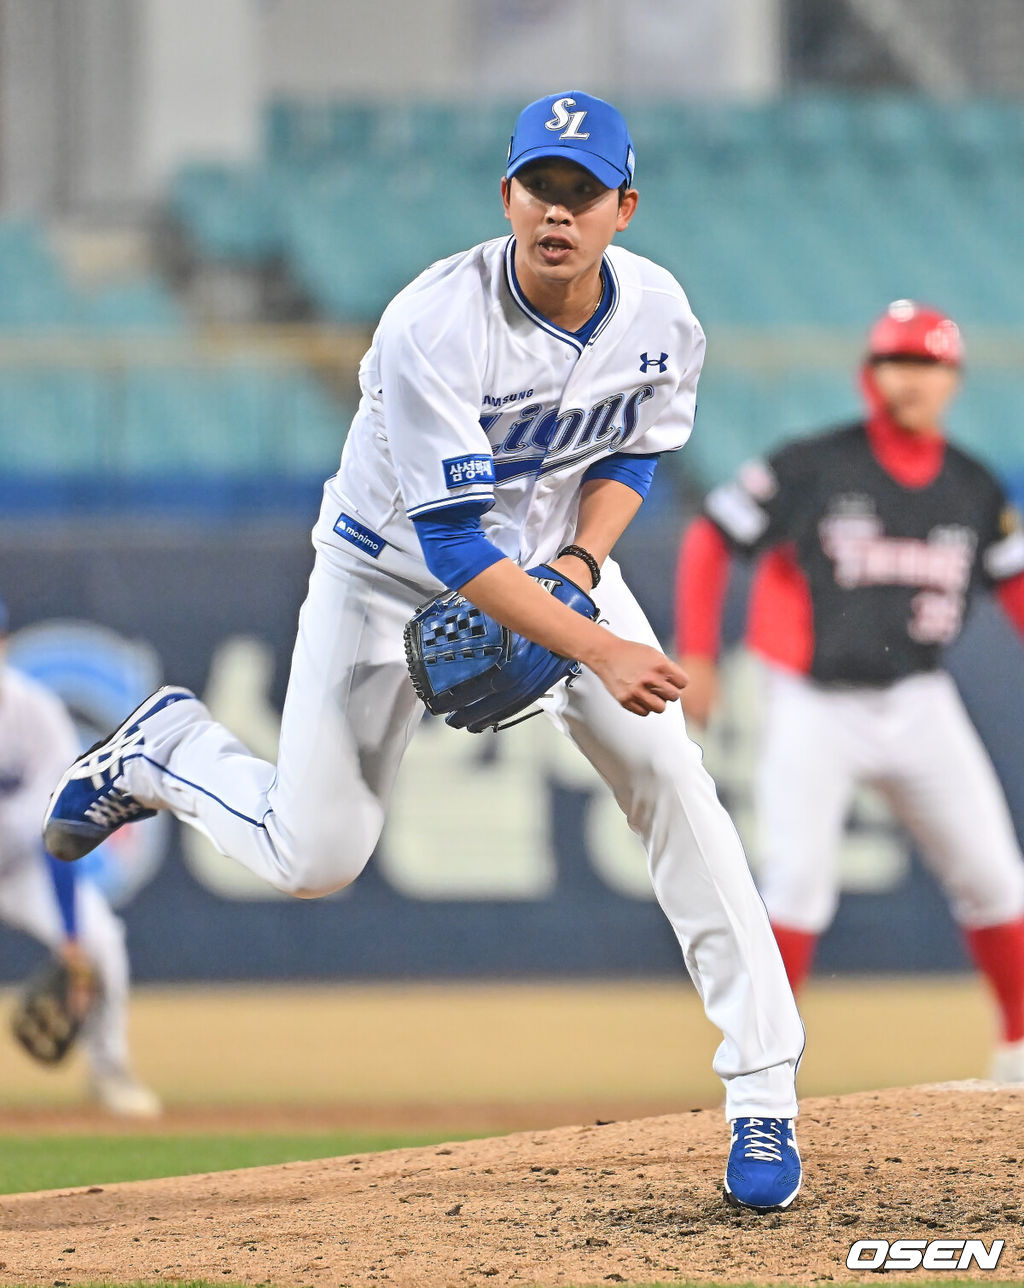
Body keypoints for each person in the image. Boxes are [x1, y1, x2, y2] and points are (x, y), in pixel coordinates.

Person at [43, 92, 804, 1209]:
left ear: (623, 209)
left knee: (671, 779)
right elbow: (453, 545)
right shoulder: (432, 324)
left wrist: (583, 577)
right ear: (506, 196)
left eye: (583, 191)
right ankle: (162, 751)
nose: (559, 210)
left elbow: (635, 456)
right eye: (540, 186)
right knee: (314, 857)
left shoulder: (660, 314)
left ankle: (765, 1096)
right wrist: (593, 645)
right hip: (388, 569)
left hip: (559, 566)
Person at [675, 300, 1024, 1082]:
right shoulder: (815, 464)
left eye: (928, 364)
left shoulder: (971, 487)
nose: (911, 379)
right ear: (870, 375)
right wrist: (697, 652)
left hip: (917, 697)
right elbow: (708, 538)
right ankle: (764, 1070)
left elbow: (1016, 581)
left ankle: (1021, 1052)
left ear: (953, 380)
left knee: (997, 877)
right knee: (796, 886)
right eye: (896, 361)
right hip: (811, 700)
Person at [0, 596, 161, 1116]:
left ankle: (110, 1073)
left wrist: (70, 937)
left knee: (102, 943)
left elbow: (58, 831)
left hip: (21, 869)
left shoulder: (33, 713)